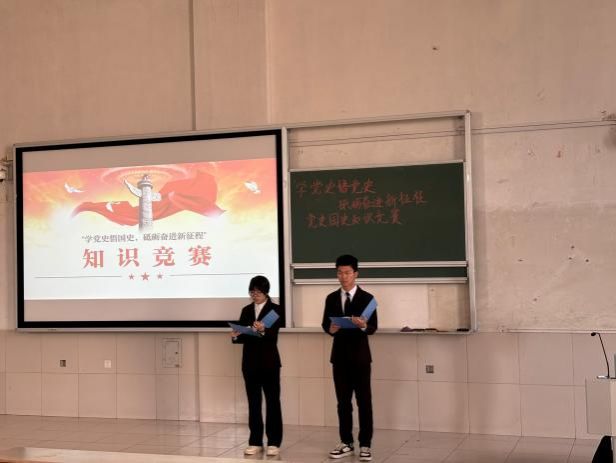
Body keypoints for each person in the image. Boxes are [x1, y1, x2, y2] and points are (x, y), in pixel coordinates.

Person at [322, 254, 377, 462]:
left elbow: (373, 327)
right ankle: (346, 442)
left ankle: (365, 444)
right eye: (339, 273)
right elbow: (325, 325)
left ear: (356, 274)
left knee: (364, 402)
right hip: (339, 357)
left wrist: (363, 325)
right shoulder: (331, 298)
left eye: (347, 273)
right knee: (343, 403)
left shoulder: (367, 298)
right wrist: (331, 329)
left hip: (360, 357)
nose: (343, 277)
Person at [231, 275, 283, 456]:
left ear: (266, 292)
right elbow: (243, 337)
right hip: (250, 362)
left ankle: (274, 442)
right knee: (253, 403)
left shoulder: (275, 310)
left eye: (258, 292)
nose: (254, 295)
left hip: (269, 362)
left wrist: (263, 330)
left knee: (273, 402)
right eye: (252, 292)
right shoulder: (246, 310)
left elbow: (273, 335)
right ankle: (255, 441)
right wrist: (236, 335)